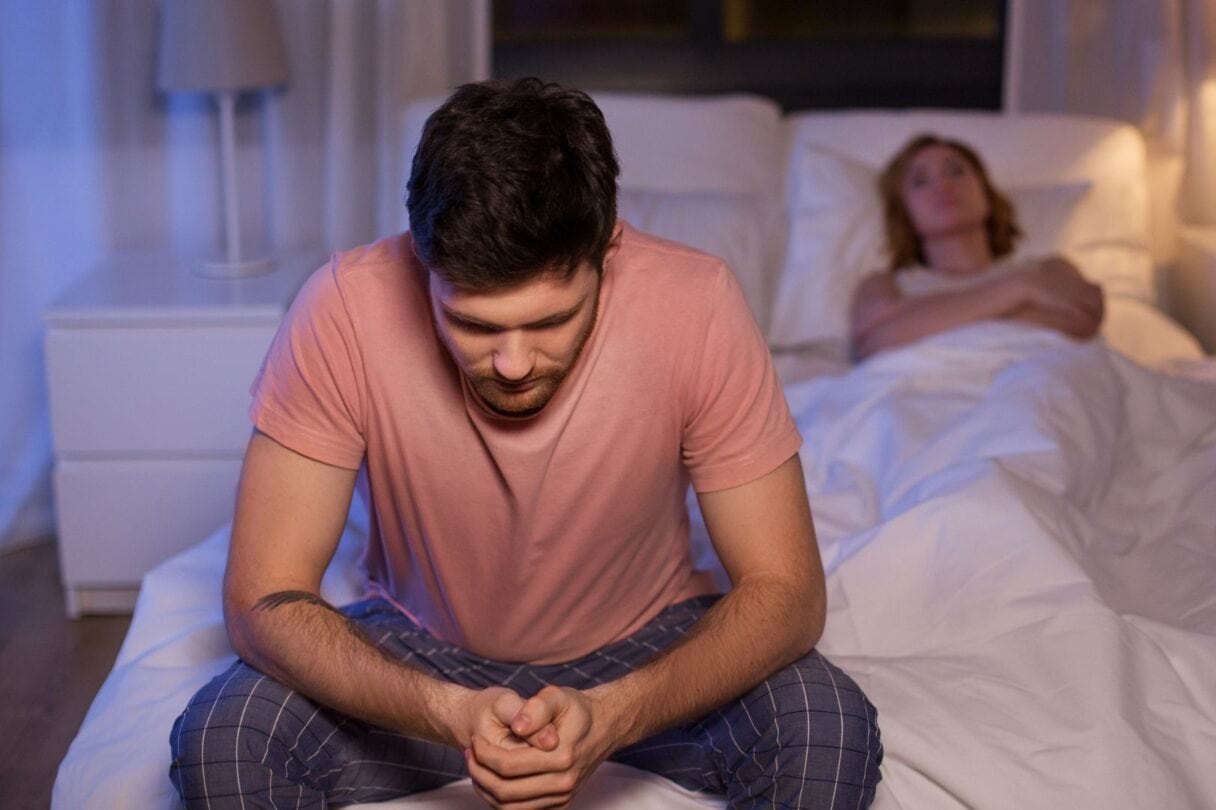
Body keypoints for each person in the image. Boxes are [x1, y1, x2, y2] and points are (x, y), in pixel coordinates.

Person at [168, 78, 882, 809]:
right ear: (423, 261)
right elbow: (260, 599)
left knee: (827, 726)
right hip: (420, 650)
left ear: (607, 247)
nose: (512, 364)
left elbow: (789, 592)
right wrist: (444, 711)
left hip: (645, 649)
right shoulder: (344, 305)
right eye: (474, 325)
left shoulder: (698, 301)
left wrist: (618, 713)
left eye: (550, 322)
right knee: (226, 736)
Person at [850, 134, 1106, 360]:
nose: (943, 185)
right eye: (920, 181)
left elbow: (1083, 318)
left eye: (956, 171)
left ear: (986, 193)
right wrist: (1021, 288)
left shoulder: (1049, 267)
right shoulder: (885, 284)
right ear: (904, 212)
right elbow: (876, 344)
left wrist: (918, 322)